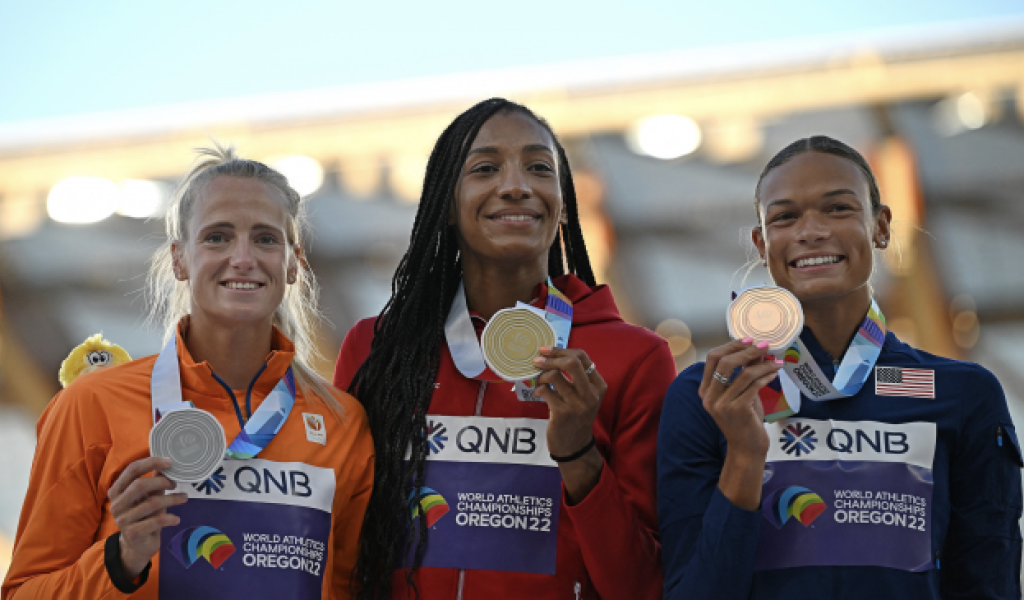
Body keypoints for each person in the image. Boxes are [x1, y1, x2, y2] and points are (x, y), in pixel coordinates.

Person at [334, 97, 675, 600]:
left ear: (563, 204)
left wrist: (578, 455)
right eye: (485, 168)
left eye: (539, 168)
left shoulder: (634, 359)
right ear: (446, 203)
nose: (516, 186)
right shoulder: (376, 348)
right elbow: (342, 548)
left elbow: (645, 586)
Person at [657, 135, 1023, 599]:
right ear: (762, 244)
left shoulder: (960, 393)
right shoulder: (710, 394)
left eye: (838, 209)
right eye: (785, 217)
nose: (811, 231)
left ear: (881, 227)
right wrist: (745, 456)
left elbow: (988, 584)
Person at [2, 146, 374, 600]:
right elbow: (23, 592)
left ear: (293, 262)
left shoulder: (341, 422)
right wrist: (120, 559)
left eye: (265, 238)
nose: (243, 258)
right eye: (217, 237)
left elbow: (350, 589)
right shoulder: (93, 404)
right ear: (179, 258)